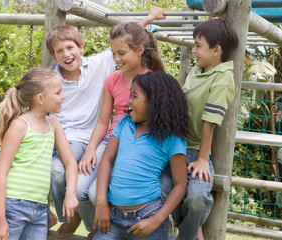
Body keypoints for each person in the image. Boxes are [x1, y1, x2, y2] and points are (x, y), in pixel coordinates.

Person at [45, 9, 165, 238]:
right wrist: (92, 148)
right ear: (54, 56)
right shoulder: (55, 79)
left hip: (117, 140)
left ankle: (99, 226)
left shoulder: (104, 66)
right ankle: (82, 221)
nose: (66, 54)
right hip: (88, 138)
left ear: (81, 47)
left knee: (73, 179)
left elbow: (128, 41)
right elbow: (103, 120)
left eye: (70, 48)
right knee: (70, 182)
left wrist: (148, 19)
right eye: (59, 51)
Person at [160, 18, 239, 240]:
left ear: (216, 50)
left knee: (196, 199)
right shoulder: (197, 70)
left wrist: (203, 159)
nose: (193, 50)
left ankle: (187, 235)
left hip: (197, 151)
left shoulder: (223, 78)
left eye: (197, 46)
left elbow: (209, 121)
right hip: (175, 147)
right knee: (162, 189)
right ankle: (195, 232)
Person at [79, 9, 166, 200]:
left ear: (140, 50)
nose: (116, 59)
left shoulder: (155, 81)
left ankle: (111, 227)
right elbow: (103, 122)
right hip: (109, 140)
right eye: (113, 53)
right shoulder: (112, 80)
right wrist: (90, 149)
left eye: (121, 53)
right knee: (79, 190)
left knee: (96, 195)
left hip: (136, 144)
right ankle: (96, 227)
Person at [93, 71, 189, 240]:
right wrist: (101, 201)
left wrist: (156, 220)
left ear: (155, 102)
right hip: (113, 217)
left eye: (134, 96)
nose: (129, 101)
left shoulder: (172, 138)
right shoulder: (124, 123)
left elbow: (180, 185)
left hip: (148, 218)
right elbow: (106, 161)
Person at [0, 67, 79, 240]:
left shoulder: (54, 125)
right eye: (58, 92)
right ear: (41, 98)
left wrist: (70, 194)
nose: (63, 96)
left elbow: (70, 163)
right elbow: (1, 172)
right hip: (12, 205)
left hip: (39, 211)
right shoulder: (20, 125)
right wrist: (0, 221)